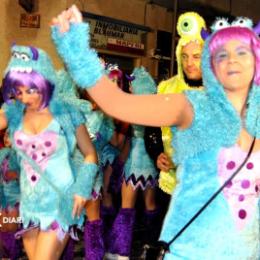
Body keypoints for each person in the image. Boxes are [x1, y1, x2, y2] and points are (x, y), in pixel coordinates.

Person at [51, 6, 260, 259]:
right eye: (222, 54)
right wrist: (76, 51)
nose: (232, 60)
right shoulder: (191, 105)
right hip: (191, 252)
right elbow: (119, 104)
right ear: (212, 64)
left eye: (242, 52)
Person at [0, 44, 98, 260]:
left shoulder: (67, 112)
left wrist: (82, 189)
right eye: (18, 91)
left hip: (59, 203)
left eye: (30, 90)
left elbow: (90, 154)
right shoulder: (14, 112)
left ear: (43, 81)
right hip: (29, 206)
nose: (25, 98)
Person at [156, 11, 205, 194]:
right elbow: (153, 128)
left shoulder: (220, 90)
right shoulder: (165, 89)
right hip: (170, 184)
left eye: (196, 56)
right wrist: (157, 154)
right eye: (184, 56)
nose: (189, 63)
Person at [0, 130, 22, 259]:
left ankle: (13, 255)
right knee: (3, 229)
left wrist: (17, 175)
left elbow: (31, 178)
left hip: (17, 198)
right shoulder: (2, 154)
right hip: (3, 198)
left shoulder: (22, 156)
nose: (8, 139)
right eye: (6, 136)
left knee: (12, 228)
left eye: (11, 136)